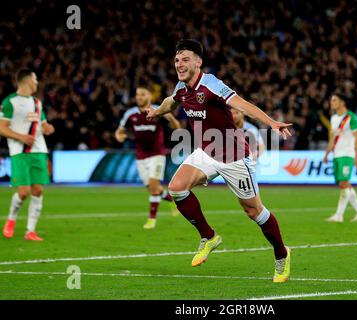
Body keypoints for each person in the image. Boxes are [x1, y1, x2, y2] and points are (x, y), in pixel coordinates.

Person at [146, 39, 292, 283]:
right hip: (206, 152)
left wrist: (272, 123)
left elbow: (242, 104)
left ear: (198, 62)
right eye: (176, 60)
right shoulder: (182, 87)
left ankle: (282, 254)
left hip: (234, 156)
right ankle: (209, 236)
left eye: (185, 59)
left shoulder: (211, 84)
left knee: (254, 211)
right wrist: (156, 112)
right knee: (176, 188)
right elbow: (170, 102)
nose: (179, 64)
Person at [115, 85, 181, 229]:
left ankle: (151, 219)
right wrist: (120, 136)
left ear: (150, 97)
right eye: (138, 94)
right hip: (140, 156)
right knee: (154, 189)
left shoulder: (158, 110)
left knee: (153, 186)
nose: (139, 97)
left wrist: (173, 121)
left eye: (143, 94)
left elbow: (177, 126)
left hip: (157, 154)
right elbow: (119, 131)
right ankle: (172, 201)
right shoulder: (130, 114)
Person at [0, 69, 55, 241]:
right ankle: (11, 219)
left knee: (38, 190)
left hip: (39, 151)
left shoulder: (37, 103)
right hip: (20, 152)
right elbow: (2, 128)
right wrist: (21, 137)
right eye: (35, 79)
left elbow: (43, 124)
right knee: (23, 192)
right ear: (27, 81)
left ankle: (30, 231)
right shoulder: (10, 102)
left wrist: (47, 128)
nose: (37, 82)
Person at [323, 93, 357, 223]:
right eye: (331, 100)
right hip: (337, 155)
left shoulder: (351, 118)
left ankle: (339, 215)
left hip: (347, 154)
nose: (331, 102)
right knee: (344, 184)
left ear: (342, 102)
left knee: (343, 183)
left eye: (334, 100)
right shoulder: (333, 118)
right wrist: (327, 153)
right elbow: (332, 137)